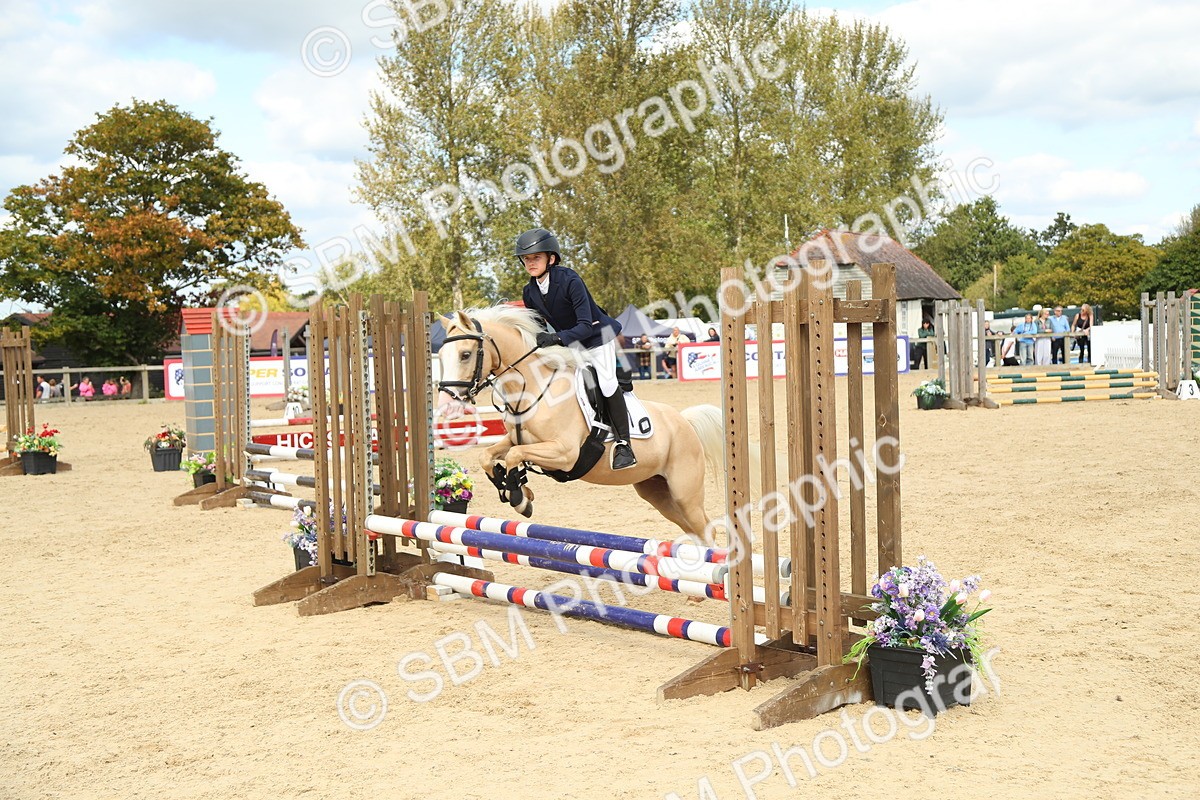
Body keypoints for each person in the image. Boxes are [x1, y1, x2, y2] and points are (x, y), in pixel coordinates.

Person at [517, 227, 636, 470]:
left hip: (596, 337)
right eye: (527, 259)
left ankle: (625, 444)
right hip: (571, 343)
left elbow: (584, 326)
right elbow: (539, 328)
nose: (530, 263)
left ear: (551, 259)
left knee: (605, 382)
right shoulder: (529, 291)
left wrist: (556, 339)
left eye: (536, 258)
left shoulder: (570, 280)